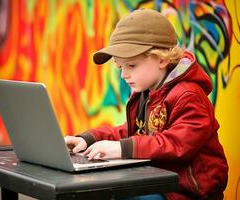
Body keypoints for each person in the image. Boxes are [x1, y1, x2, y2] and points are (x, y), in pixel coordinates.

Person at [64, 9, 228, 200]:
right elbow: (132, 131)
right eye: (120, 66)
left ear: (162, 59)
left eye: (131, 66)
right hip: (157, 181)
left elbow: (177, 144)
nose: (123, 74)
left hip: (187, 191)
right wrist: (89, 139)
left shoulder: (189, 96)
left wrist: (122, 149)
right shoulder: (147, 92)